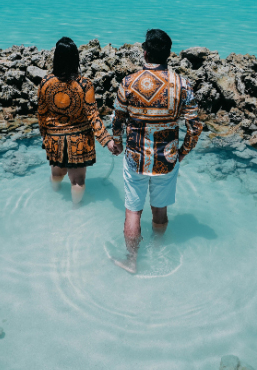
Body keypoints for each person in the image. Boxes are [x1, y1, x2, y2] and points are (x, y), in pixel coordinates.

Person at [110, 29, 203, 273]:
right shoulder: (183, 84)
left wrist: (117, 141)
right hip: (167, 158)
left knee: (133, 211)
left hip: (136, 156)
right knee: (159, 210)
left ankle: (131, 261)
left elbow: (118, 119)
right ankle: (159, 250)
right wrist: (183, 151)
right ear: (168, 54)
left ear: (145, 52)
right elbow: (195, 126)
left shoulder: (129, 82)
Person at [37, 37, 120, 206]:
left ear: (56, 58)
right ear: (76, 58)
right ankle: (76, 211)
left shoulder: (45, 83)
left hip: (55, 138)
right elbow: (93, 116)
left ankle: (54, 200)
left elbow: (42, 114)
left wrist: (45, 137)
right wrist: (107, 141)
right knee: (77, 181)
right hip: (79, 141)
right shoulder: (84, 84)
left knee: (56, 174)